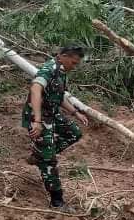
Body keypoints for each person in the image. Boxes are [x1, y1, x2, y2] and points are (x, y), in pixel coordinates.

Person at [23, 46, 89, 211]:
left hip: (51, 114)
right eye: (73, 62)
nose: (74, 66)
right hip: (38, 116)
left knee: (74, 133)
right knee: (49, 161)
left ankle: (40, 155)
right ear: (63, 56)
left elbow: (58, 97)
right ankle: (57, 202)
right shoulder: (48, 69)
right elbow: (36, 89)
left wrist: (75, 113)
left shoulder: (61, 72)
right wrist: (37, 121)